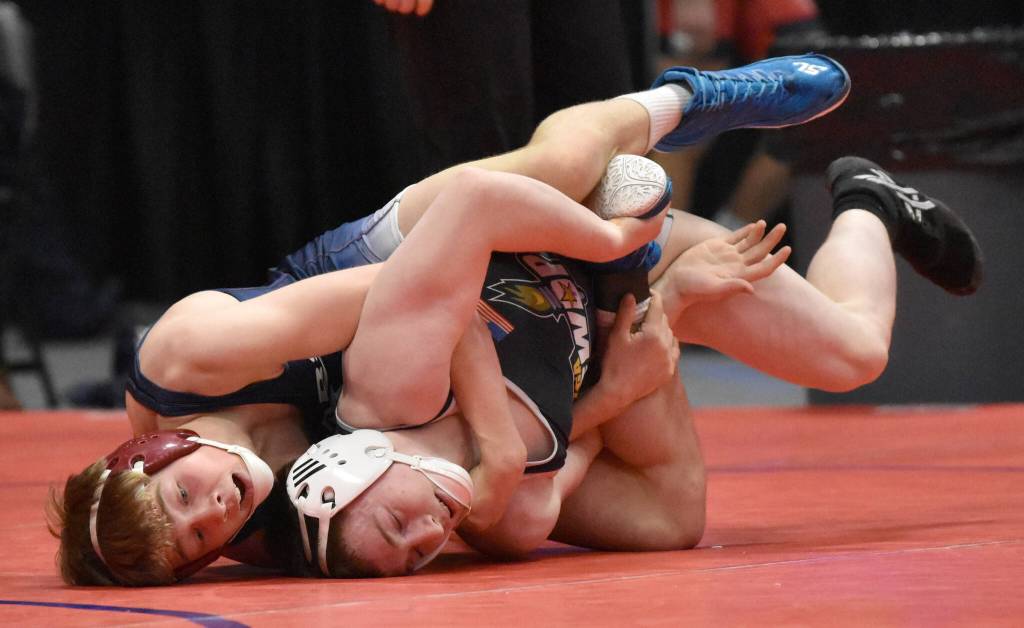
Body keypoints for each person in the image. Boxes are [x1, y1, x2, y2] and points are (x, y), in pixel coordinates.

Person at [50, 53, 980, 584]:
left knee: (540, 179)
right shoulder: (283, 531)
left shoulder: (187, 358)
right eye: (204, 542)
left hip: (388, 275)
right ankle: (871, 202)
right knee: (850, 353)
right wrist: (604, 392)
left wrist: (616, 245)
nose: (217, 511)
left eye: (185, 499)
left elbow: (425, 293)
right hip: (501, 339)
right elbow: (488, 504)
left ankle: (666, 102)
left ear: (155, 455)